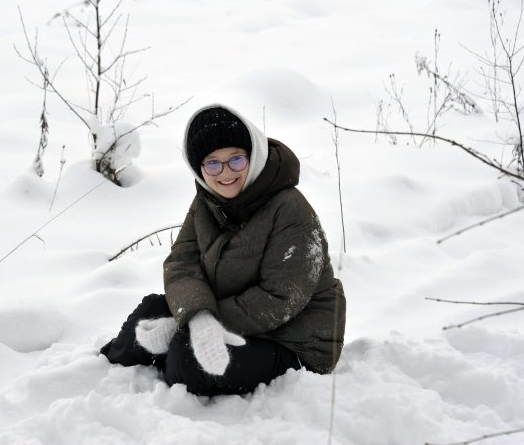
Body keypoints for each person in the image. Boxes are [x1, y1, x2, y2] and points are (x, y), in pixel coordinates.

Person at [100, 104, 346, 396]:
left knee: (188, 359)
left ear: (253, 156)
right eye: (213, 164)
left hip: (293, 342)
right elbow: (181, 264)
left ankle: (169, 360)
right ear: (199, 168)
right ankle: (99, 374)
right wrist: (197, 318)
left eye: (236, 160)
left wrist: (191, 326)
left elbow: (281, 297)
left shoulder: (290, 209)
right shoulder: (207, 201)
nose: (226, 172)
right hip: (229, 312)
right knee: (149, 314)